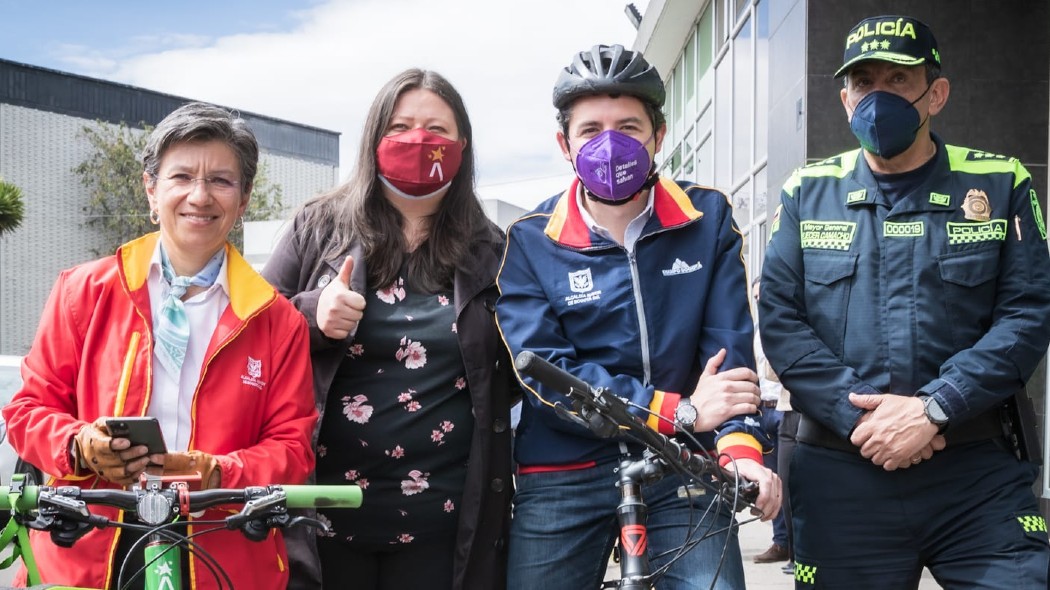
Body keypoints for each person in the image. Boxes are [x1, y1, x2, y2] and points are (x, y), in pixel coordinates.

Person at [759, 15, 1050, 588]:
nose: (878, 97)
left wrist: (932, 408)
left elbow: (1027, 313)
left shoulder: (999, 183)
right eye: (865, 84)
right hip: (842, 475)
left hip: (976, 472)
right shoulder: (807, 190)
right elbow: (781, 322)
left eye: (897, 79)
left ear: (935, 93)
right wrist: (862, 418)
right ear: (845, 99)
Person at [496, 44, 781, 590]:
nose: (610, 142)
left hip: (683, 468)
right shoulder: (530, 240)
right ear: (565, 144)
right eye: (590, 129)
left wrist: (742, 452)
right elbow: (546, 372)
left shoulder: (709, 218)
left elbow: (730, 358)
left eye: (628, 125)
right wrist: (680, 412)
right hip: (563, 470)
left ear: (659, 135)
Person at [1, 101, 318, 589]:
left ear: (244, 198)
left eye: (221, 180)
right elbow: (27, 412)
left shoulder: (278, 320)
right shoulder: (81, 291)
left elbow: (293, 450)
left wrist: (218, 472)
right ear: (152, 189)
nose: (199, 195)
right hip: (88, 542)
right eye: (181, 177)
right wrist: (82, 447)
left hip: (221, 547)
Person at [262, 68, 514, 590]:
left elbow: (516, 365)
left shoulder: (493, 249)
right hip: (322, 515)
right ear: (374, 139)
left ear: (462, 147)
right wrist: (312, 314)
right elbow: (251, 328)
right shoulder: (318, 227)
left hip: (440, 526)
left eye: (438, 130)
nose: (421, 140)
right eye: (401, 127)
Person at [750, 278, 790, 566]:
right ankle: (781, 543)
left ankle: (798, 549)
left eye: (763, 295)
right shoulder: (752, 331)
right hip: (762, 411)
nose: (760, 301)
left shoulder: (788, 326)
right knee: (770, 481)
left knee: (791, 481)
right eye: (755, 297)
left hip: (786, 410)